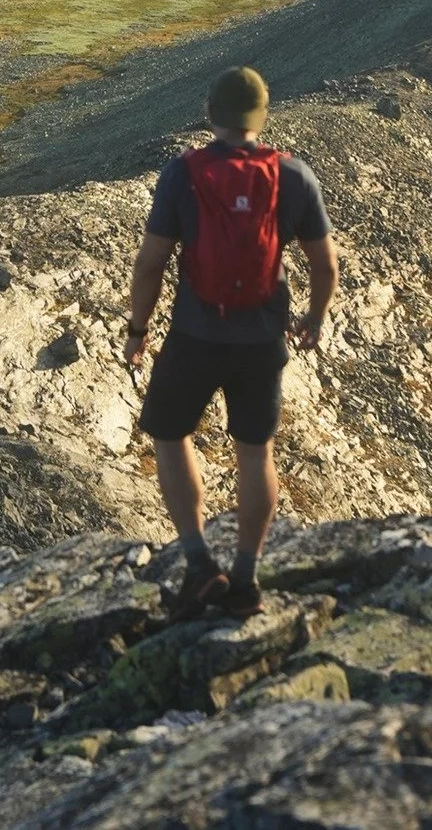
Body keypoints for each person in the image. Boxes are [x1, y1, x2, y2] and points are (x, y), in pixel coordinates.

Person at [123, 65, 338, 620]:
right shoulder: (294, 177)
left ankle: (199, 564)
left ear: (211, 114)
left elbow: (151, 262)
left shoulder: (182, 175)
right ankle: (244, 577)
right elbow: (324, 264)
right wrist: (314, 317)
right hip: (263, 338)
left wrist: (138, 330)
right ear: (261, 116)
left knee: (170, 434)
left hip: (195, 334)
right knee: (255, 451)